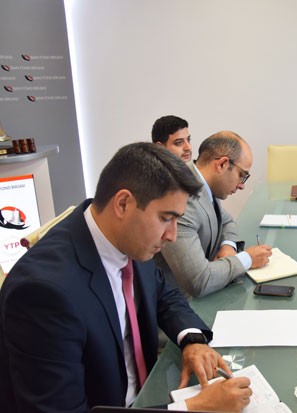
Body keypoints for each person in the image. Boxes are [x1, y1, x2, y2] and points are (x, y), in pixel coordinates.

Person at [0, 143, 252, 412]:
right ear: (123, 204)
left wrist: (192, 340)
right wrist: (193, 409)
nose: (172, 235)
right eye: (166, 218)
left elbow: (163, 292)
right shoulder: (44, 293)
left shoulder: (126, 237)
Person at [156, 131, 272, 297]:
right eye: (242, 175)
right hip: (178, 302)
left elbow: (227, 222)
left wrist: (228, 246)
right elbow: (199, 280)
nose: (242, 185)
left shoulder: (202, 182)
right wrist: (247, 259)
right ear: (222, 164)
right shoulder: (181, 196)